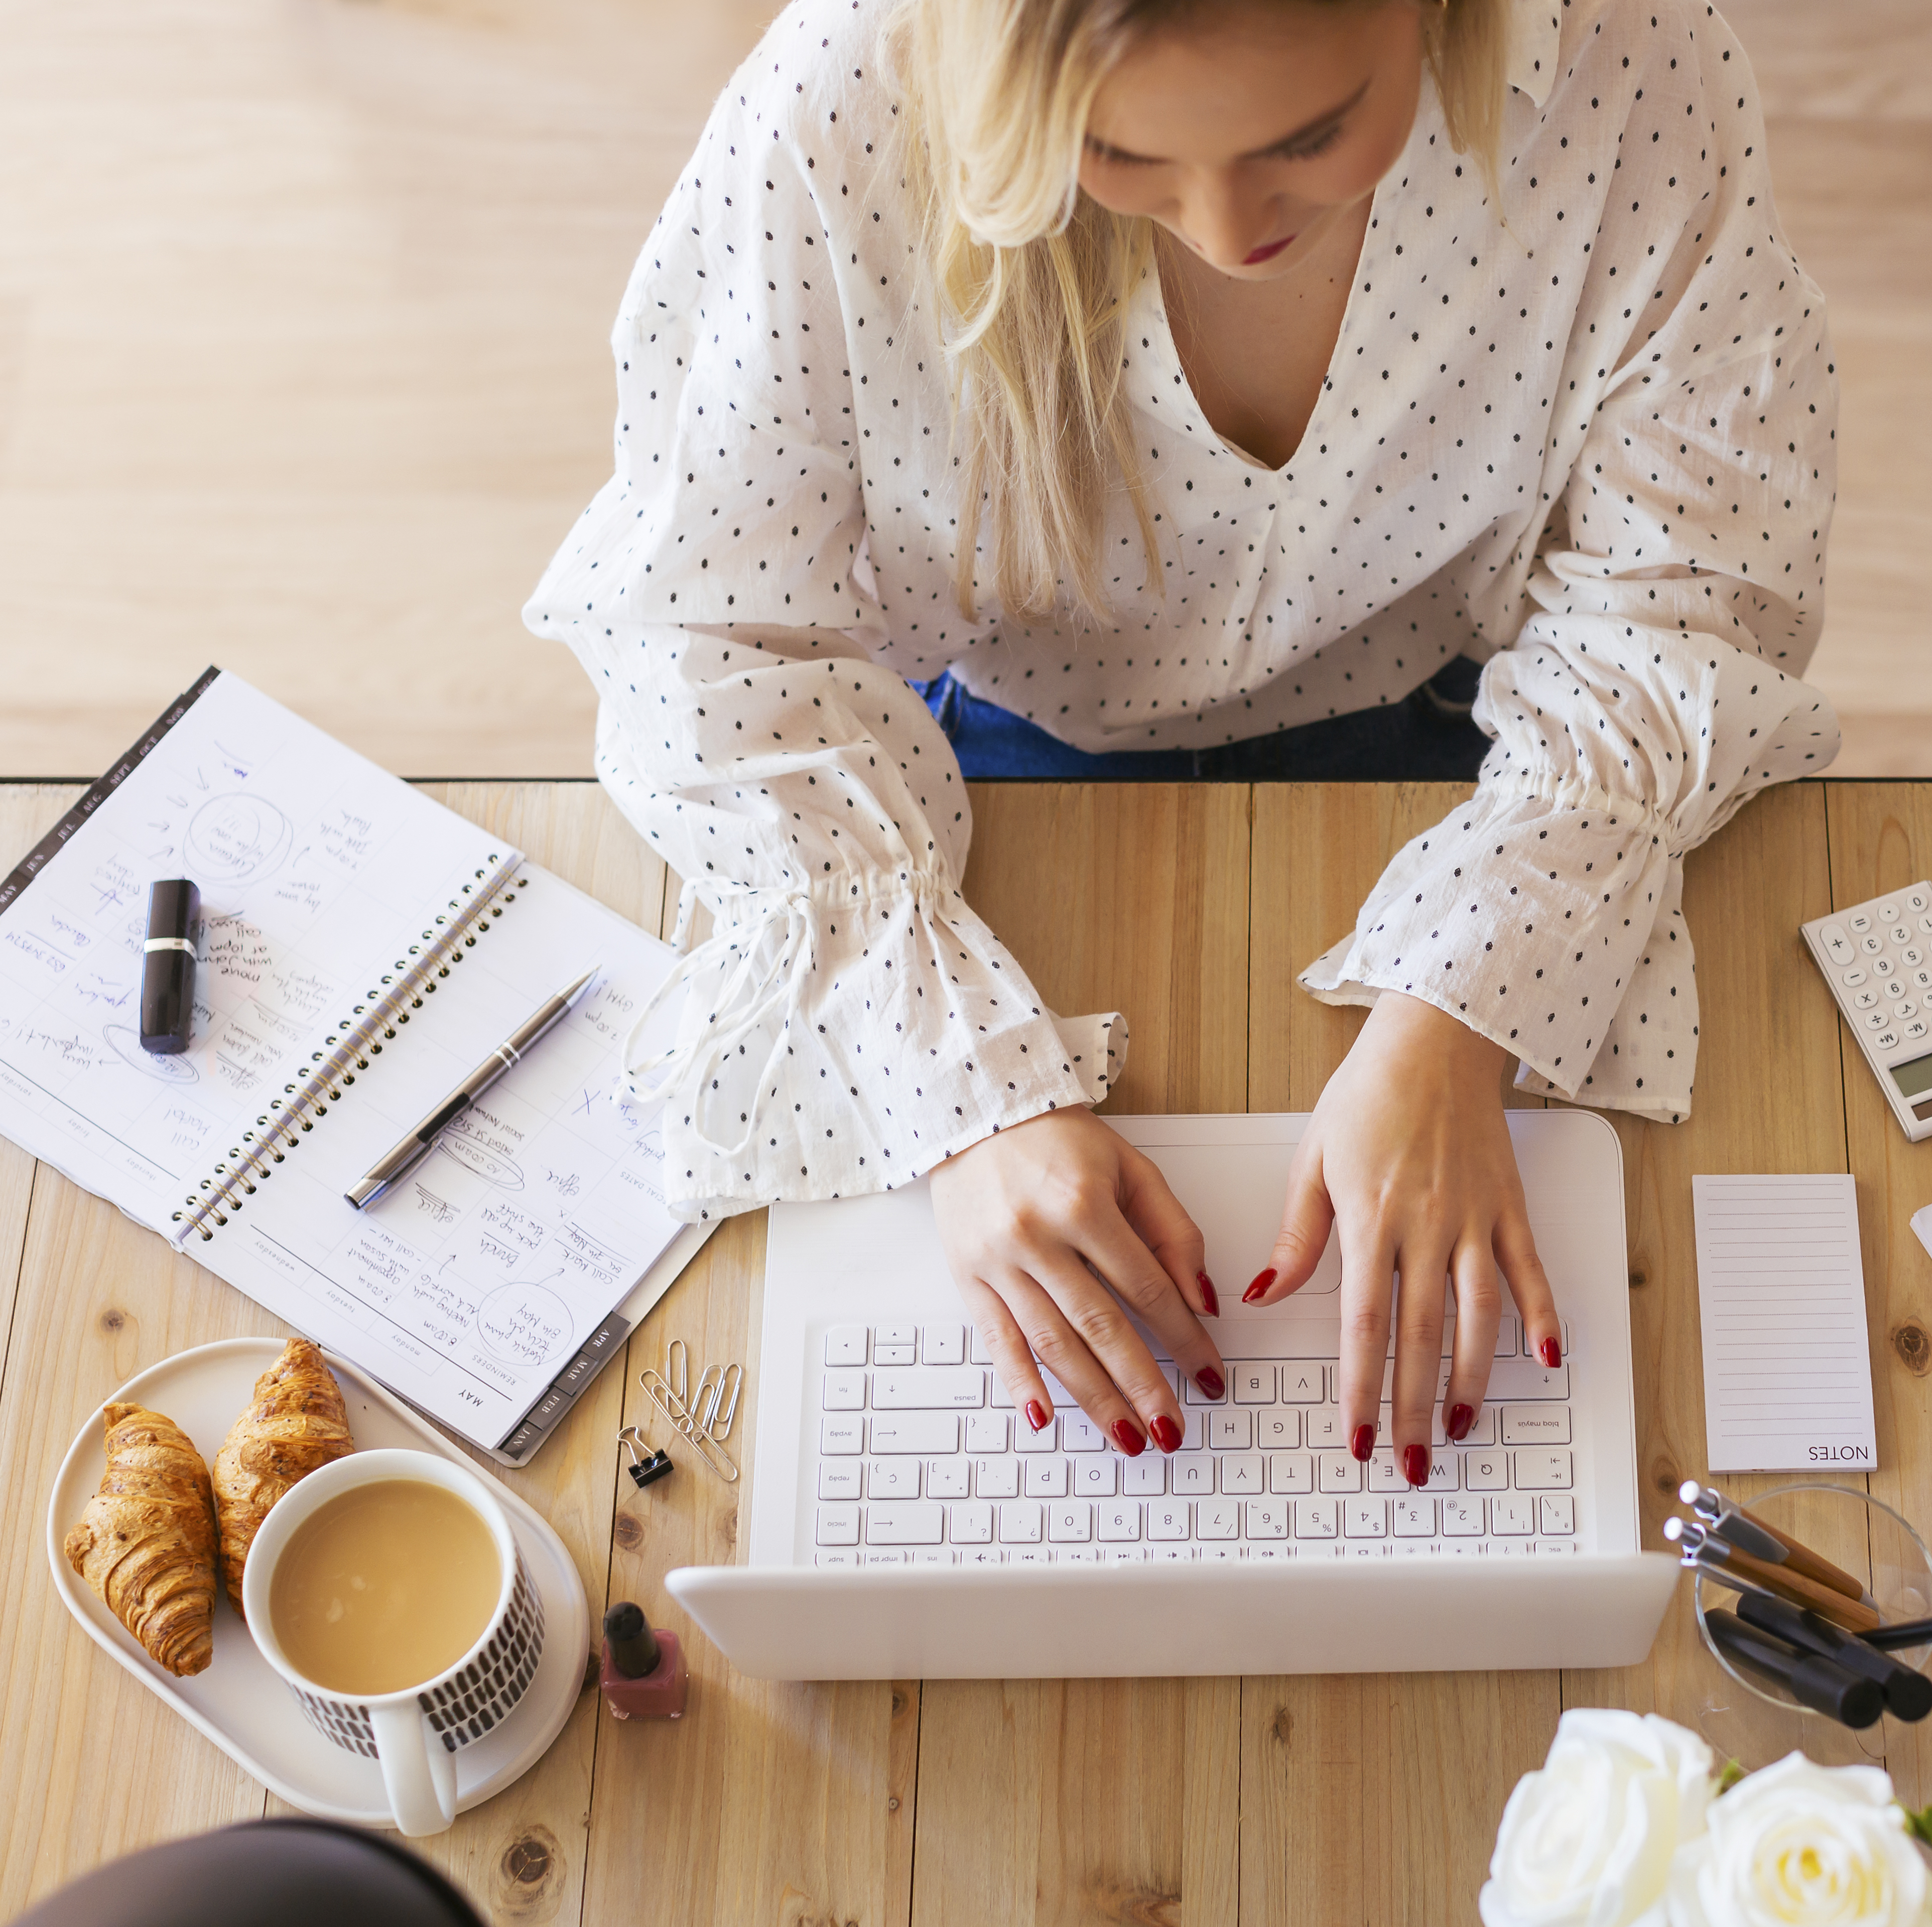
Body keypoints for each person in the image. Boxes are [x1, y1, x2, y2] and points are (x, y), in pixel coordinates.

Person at [526, 0, 1837, 1491]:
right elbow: (706, 644)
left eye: (1310, 135)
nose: (1225, 227)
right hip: (1002, 760)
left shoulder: (1633, 62)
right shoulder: (842, 106)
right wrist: (961, 1107)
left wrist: (1466, 1009)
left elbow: (1686, 591)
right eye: (1119, 151)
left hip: (1474, 726)